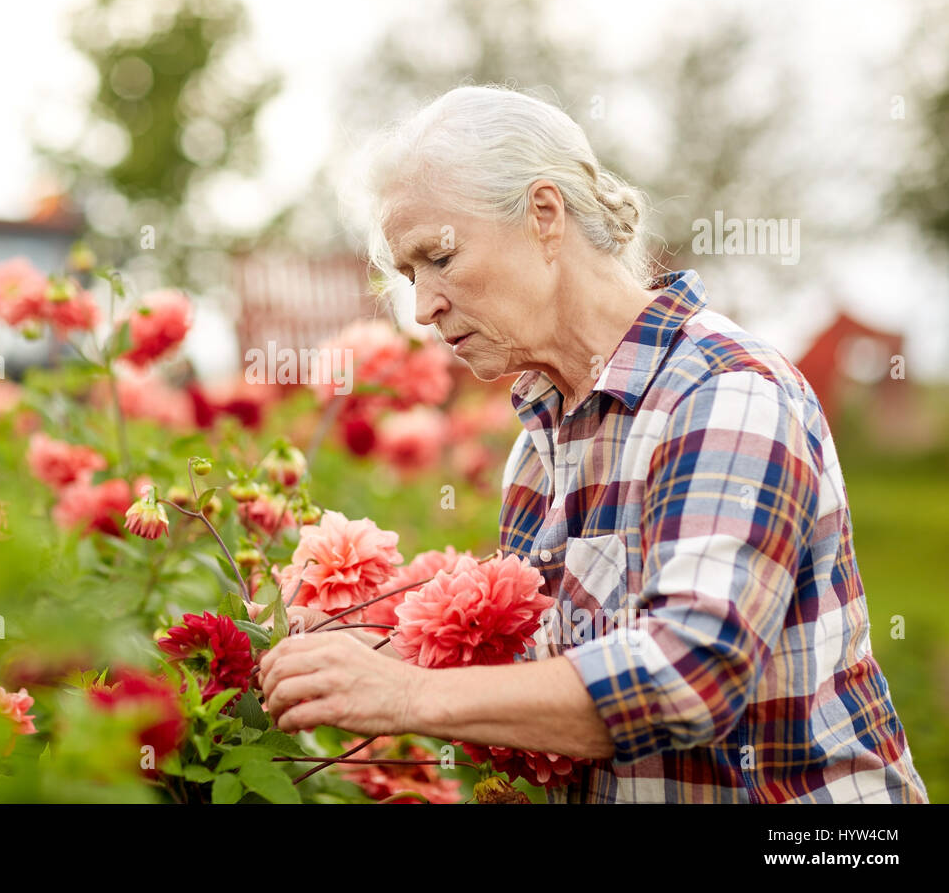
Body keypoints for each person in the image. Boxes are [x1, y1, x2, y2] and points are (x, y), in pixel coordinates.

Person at [257, 85, 929, 803]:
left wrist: (408, 694)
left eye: (439, 258)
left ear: (545, 216)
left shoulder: (724, 392)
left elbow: (690, 675)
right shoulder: (541, 442)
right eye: (408, 276)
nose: (423, 308)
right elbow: (551, 666)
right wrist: (374, 650)